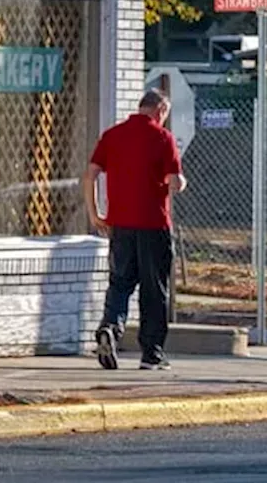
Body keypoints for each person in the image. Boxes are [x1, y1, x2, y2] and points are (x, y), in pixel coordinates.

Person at [81, 89, 187, 371]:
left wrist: (94, 213)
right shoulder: (163, 138)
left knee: (120, 284)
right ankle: (151, 354)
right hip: (153, 225)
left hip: (120, 225)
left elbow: (90, 174)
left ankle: (110, 328)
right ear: (161, 110)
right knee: (155, 290)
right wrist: (180, 181)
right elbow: (174, 181)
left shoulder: (113, 135)